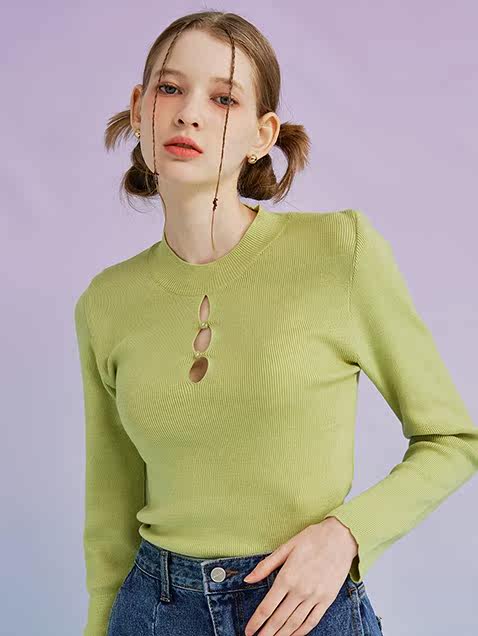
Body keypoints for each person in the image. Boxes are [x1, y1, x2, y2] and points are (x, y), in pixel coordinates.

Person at [74, 10, 478, 636]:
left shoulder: (339, 253)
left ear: (262, 135)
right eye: (170, 88)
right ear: (139, 108)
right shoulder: (106, 302)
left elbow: (453, 440)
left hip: (300, 612)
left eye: (224, 98)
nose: (188, 114)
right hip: (151, 613)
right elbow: (111, 513)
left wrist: (347, 535)